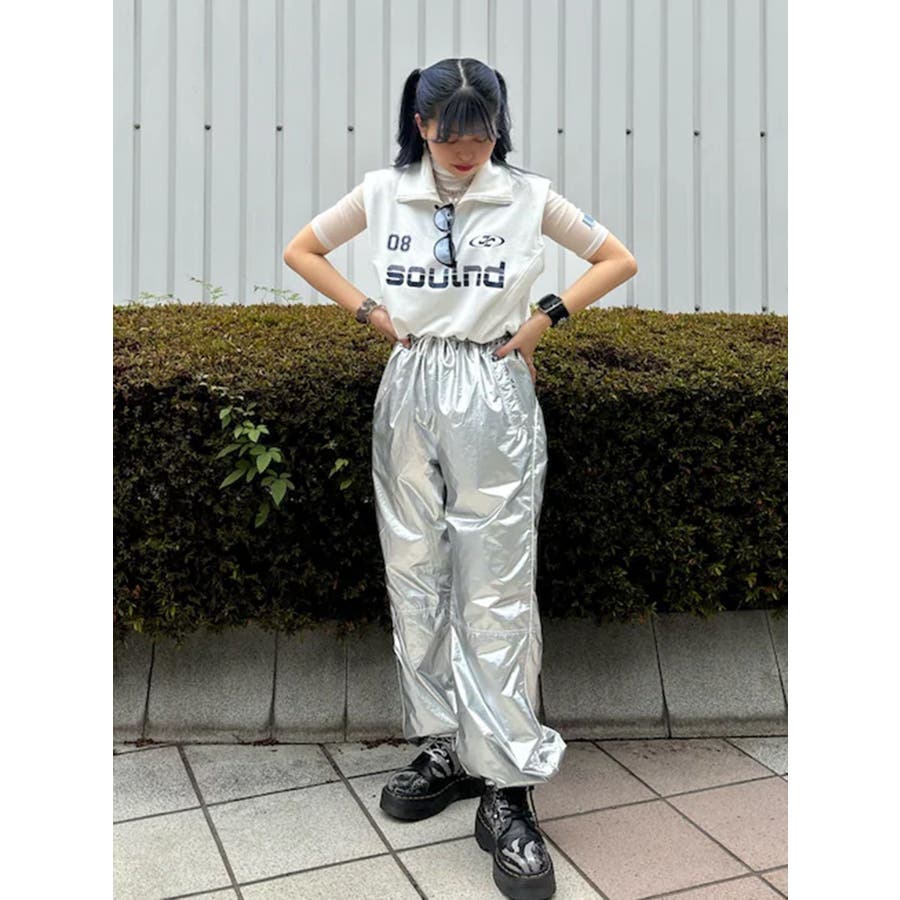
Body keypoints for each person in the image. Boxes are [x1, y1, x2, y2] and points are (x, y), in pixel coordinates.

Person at [284, 57, 637, 900]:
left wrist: (545, 319)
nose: (466, 151)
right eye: (451, 136)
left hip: (491, 383)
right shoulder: (383, 192)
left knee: (496, 586)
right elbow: (302, 249)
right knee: (416, 572)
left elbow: (616, 258)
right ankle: (448, 743)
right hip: (410, 382)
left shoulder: (527, 195)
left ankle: (507, 783)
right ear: (421, 125)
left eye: (481, 135)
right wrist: (370, 313)